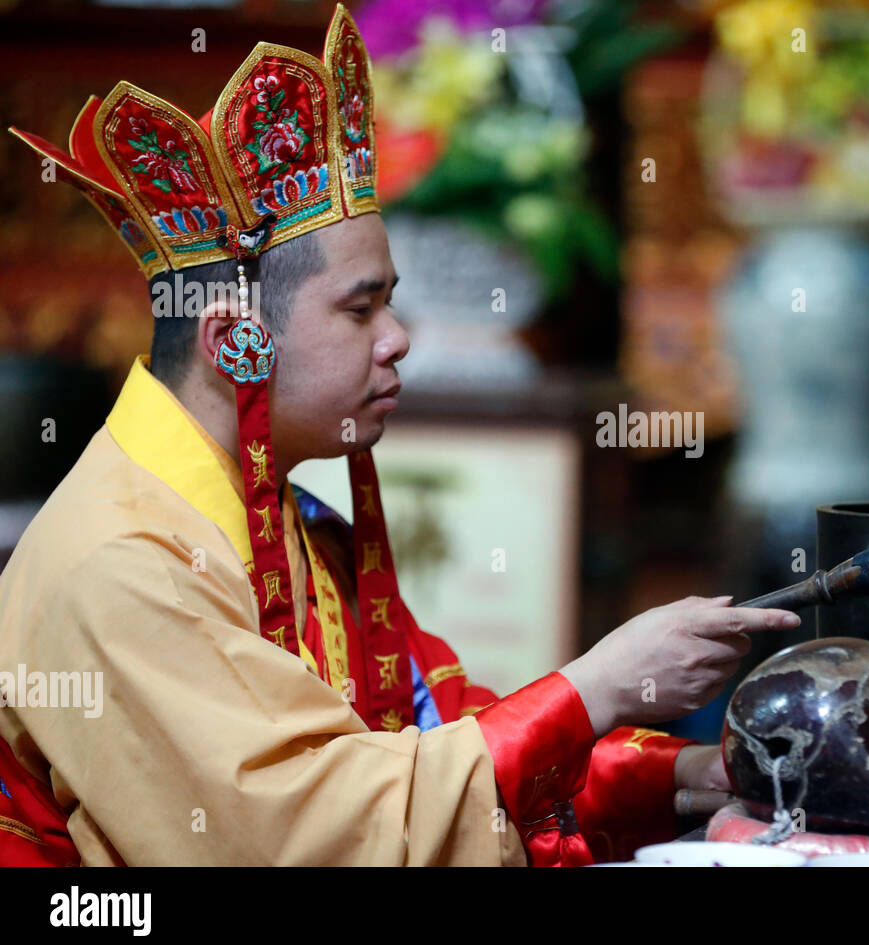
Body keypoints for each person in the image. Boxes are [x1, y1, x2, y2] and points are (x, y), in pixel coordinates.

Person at [0, 4, 799, 866]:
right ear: (232, 334)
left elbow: (432, 741)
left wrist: (691, 772)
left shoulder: (284, 525)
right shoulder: (123, 565)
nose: (398, 337)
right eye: (362, 306)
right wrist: (594, 687)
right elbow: (295, 836)